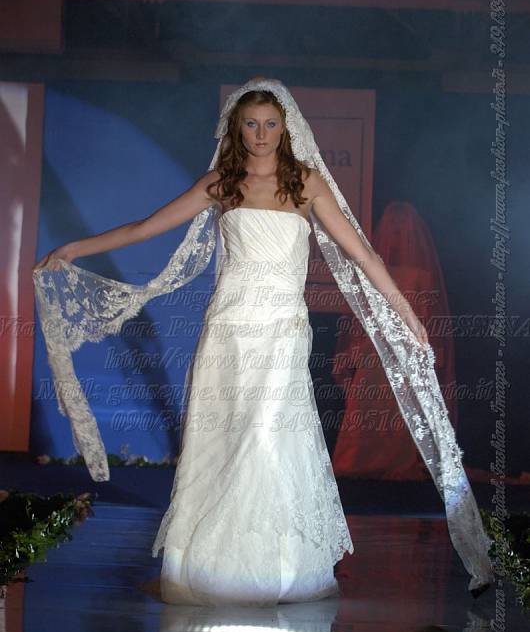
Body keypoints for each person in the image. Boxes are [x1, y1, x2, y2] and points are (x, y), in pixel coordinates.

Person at [32, 76, 494, 604]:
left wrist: (406, 311)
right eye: (251, 124)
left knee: (267, 435)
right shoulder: (221, 184)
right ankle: (209, 566)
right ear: (237, 127)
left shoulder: (306, 183)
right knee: (223, 438)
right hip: (228, 331)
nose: (260, 133)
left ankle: (276, 568)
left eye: (270, 124)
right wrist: (73, 248)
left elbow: (363, 255)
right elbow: (144, 227)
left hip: (281, 333)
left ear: (285, 128)